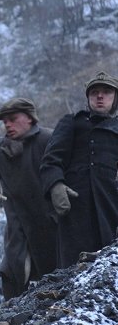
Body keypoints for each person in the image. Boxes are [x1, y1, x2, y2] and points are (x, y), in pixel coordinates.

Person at [40, 71, 118, 269]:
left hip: (111, 208)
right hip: (76, 209)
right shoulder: (73, 122)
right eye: (95, 92)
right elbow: (51, 160)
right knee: (73, 269)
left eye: (107, 92)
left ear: (115, 98)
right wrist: (56, 185)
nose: (100, 96)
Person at [0, 98, 57, 300]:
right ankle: (12, 317)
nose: (8, 125)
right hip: (18, 219)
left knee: (57, 270)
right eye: (5, 122)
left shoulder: (48, 140)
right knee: (11, 269)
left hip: (50, 219)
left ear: (29, 119)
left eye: (13, 119)